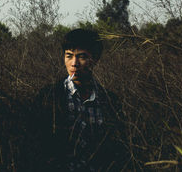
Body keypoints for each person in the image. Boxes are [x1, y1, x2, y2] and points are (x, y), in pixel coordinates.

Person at [25, 28, 127, 171]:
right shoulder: (49, 97)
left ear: (95, 59)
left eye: (82, 56)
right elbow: (35, 146)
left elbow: (118, 150)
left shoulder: (109, 101)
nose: (74, 63)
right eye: (69, 56)